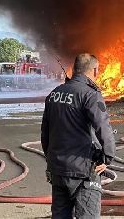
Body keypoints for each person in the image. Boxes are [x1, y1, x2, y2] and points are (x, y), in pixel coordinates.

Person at [41, 53, 116, 219]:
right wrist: (107, 158)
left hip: (57, 169)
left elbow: (45, 132)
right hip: (83, 171)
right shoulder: (90, 94)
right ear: (95, 70)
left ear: (74, 69)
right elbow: (103, 128)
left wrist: (51, 158)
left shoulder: (54, 94)